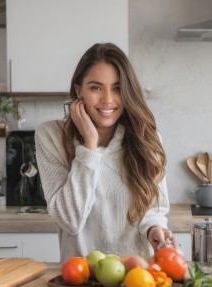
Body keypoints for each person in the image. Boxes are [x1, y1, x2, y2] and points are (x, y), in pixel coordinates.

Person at [35, 43, 176, 262]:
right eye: (96, 87)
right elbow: (70, 220)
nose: (108, 100)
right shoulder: (50, 136)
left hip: (137, 278)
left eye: (117, 88)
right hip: (81, 279)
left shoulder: (147, 139)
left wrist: (154, 229)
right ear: (78, 89)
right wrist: (89, 146)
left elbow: (153, 209)